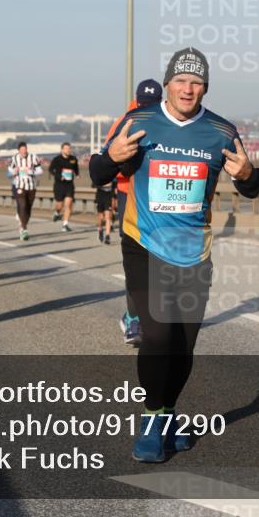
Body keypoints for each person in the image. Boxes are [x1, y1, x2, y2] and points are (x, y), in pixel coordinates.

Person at [90, 47, 259, 462]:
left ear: (205, 88)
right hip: (144, 243)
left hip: (194, 251)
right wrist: (109, 159)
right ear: (167, 83)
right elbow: (97, 173)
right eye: (181, 81)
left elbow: (252, 186)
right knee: (158, 335)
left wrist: (247, 175)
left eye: (197, 82)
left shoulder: (221, 131)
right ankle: (152, 421)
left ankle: (167, 416)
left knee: (184, 345)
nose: (188, 89)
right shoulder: (139, 122)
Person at [106, 78, 163, 345]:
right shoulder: (125, 122)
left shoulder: (169, 122)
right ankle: (133, 318)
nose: (146, 109)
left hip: (159, 197)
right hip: (129, 194)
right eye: (143, 104)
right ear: (136, 101)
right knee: (137, 259)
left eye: (152, 105)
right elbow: (108, 157)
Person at [7, 142, 43, 241]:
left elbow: (40, 171)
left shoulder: (33, 157)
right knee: (22, 205)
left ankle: (23, 224)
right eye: (22, 150)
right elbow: (9, 173)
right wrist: (14, 172)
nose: (23, 151)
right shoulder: (14, 159)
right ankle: (24, 229)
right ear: (18, 150)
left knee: (28, 208)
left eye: (25, 149)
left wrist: (31, 172)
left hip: (31, 186)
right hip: (19, 185)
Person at [49, 142, 80, 232]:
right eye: (66, 149)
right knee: (59, 205)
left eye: (69, 148)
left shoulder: (73, 159)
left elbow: (76, 168)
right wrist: (59, 176)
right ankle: (57, 212)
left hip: (69, 185)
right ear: (62, 150)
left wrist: (77, 174)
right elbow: (51, 170)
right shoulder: (57, 159)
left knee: (68, 204)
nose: (68, 150)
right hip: (59, 185)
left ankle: (65, 224)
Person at [95, 178, 117, 245]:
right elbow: (93, 184)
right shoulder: (100, 175)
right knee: (101, 218)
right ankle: (100, 229)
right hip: (100, 196)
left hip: (109, 197)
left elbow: (115, 188)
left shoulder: (112, 177)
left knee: (108, 217)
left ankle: (107, 236)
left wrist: (114, 199)